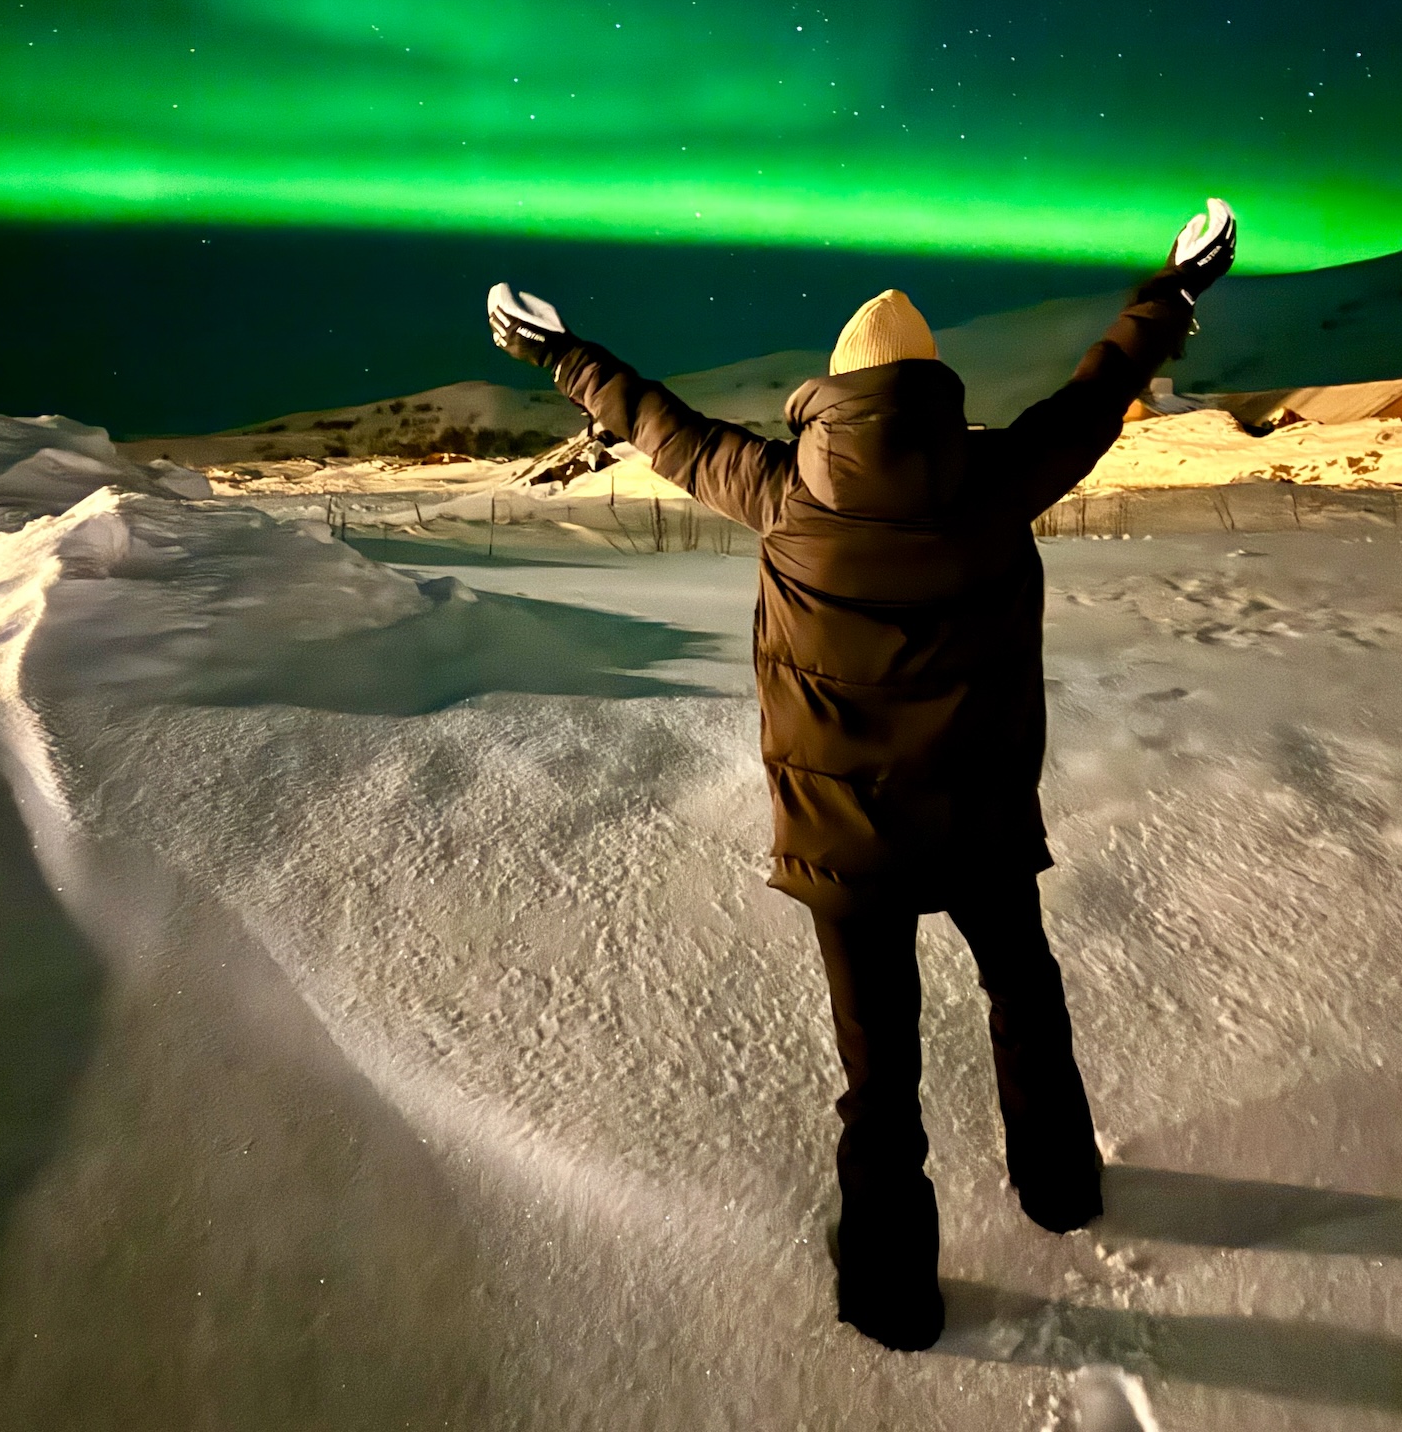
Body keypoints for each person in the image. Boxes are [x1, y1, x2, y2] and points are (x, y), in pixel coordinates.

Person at [487, 201, 1237, 1352]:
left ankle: (894, 1293)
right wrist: (1173, 294)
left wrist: (558, 353)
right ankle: (1061, 1190)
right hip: (981, 824)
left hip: (848, 845)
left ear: (833, 396)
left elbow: (658, 422)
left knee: (878, 1079)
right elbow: (1100, 393)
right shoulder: (997, 477)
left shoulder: (779, 487)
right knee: (1024, 999)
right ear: (934, 389)